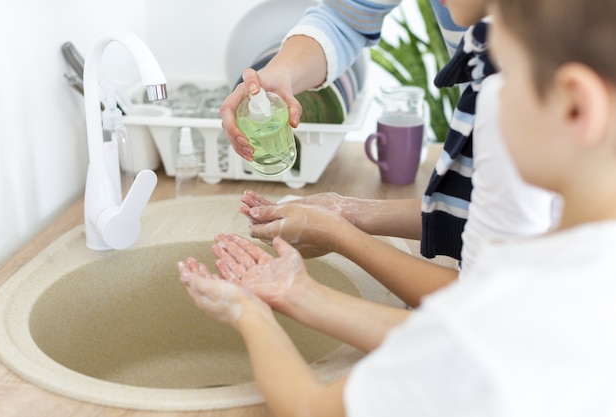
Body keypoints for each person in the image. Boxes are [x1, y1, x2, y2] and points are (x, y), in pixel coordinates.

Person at [179, 0, 616, 414]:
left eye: (496, 79)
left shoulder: (498, 314)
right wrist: (299, 289)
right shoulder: (552, 281)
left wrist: (249, 312)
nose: (478, 104)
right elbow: (455, 339)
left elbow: (310, 407)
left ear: (576, 107)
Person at [226, 0, 557, 307]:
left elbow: (479, 305)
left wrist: (335, 238)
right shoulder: (508, 79)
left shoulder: (515, 100)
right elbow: (489, 221)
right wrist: (347, 213)